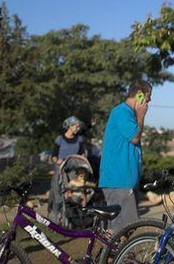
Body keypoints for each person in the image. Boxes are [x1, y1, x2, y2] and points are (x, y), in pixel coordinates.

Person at [98, 79, 151, 232]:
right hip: (119, 179)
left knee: (120, 229)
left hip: (123, 180)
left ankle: (112, 256)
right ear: (140, 95)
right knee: (124, 228)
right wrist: (141, 116)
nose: (149, 102)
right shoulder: (122, 112)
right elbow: (135, 137)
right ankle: (123, 256)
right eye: (148, 97)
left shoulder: (127, 113)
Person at [50, 116, 86, 220]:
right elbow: (53, 156)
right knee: (58, 193)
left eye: (79, 127)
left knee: (74, 194)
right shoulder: (59, 139)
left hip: (73, 171)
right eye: (76, 126)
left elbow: (82, 154)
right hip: (60, 170)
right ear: (70, 126)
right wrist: (57, 160)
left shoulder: (80, 140)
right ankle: (55, 218)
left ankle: (73, 218)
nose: (78, 129)